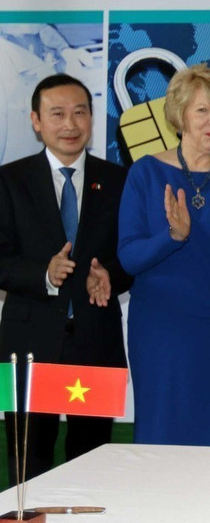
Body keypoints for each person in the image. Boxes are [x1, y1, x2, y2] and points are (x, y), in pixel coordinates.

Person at [117, 64, 210, 447]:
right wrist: (172, 236)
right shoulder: (145, 173)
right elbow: (130, 258)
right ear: (179, 115)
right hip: (162, 331)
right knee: (161, 436)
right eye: (202, 110)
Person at [0, 74, 132, 481]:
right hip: (29, 344)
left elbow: (131, 256)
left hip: (96, 340)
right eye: (57, 114)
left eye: (79, 113)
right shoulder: (8, 180)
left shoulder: (120, 181)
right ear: (36, 121)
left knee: (91, 467)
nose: (70, 124)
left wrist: (110, 275)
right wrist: (44, 274)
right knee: (28, 466)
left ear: (92, 119)